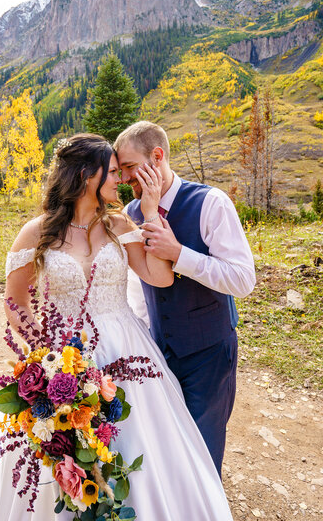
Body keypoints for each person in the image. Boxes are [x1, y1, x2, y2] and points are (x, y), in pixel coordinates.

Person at [0, 133, 233, 520]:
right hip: (63, 354)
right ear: (88, 175)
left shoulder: (121, 224)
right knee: (62, 447)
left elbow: (161, 278)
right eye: (114, 172)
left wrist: (151, 213)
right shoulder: (37, 232)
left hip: (128, 350)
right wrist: (47, 360)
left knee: (142, 448)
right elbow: (14, 301)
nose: (121, 180)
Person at [114, 121, 256, 476]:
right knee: (166, 445)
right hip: (158, 352)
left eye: (129, 167)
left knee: (204, 450)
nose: (122, 178)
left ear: (157, 157)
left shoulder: (211, 203)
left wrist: (179, 254)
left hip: (208, 352)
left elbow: (243, 280)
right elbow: (137, 287)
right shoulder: (131, 216)